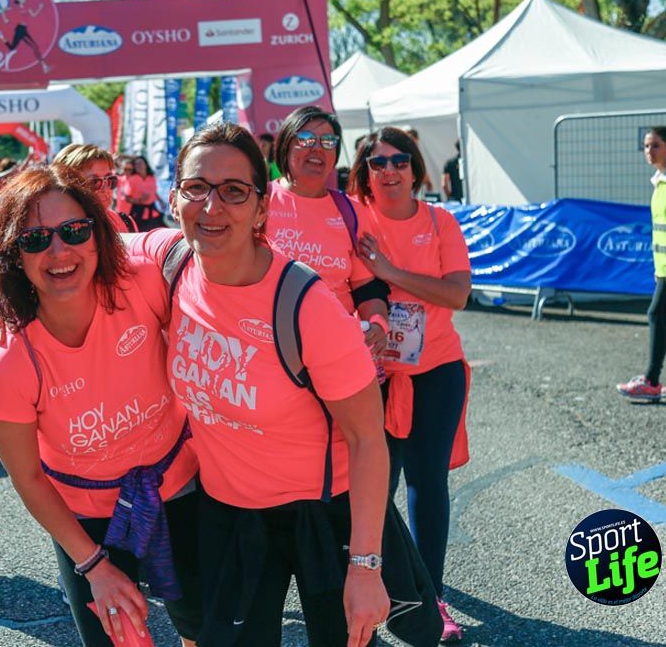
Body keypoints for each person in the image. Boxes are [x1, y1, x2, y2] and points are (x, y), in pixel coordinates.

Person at [132, 123, 441, 647]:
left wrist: (366, 568)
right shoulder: (170, 261)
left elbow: (369, 439)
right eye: (197, 188)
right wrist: (17, 310)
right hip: (230, 509)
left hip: (324, 509)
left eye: (233, 191)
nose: (212, 207)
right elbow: (80, 252)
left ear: (260, 208)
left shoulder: (307, 304)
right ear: (174, 197)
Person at [0, 165, 202, 647]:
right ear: (13, 254)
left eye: (75, 231)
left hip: (180, 486)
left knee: (210, 628)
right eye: (35, 239)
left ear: (99, 236)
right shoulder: (8, 364)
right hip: (85, 518)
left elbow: (174, 247)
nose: (59, 251)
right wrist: (93, 567)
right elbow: (29, 479)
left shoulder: (139, 284)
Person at [347, 126, 473, 643]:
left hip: (438, 372)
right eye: (378, 163)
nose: (391, 170)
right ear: (365, 174)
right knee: (373, 487)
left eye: (400, 161)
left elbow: (458, 294)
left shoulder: (441, 222)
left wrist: (390, 270)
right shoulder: (353, 220)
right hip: (370, 379)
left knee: (427, 484)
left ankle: (430, 595)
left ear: (416, 169)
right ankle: (368, 588)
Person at [268, 108, 390, 355]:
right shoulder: (259, 202)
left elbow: (366, 288)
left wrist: (378, 324)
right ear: (285, 145)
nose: (317, 148)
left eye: (328, 141)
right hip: (271, 349)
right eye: (306, 139)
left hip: (334, 349)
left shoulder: (351, 211)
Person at [618, 127, 666, 403]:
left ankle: (651, 380)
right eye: (646, 146)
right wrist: (662, 266)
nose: (649, 151)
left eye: (655, 146)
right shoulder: (663, 180)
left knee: (656, 314)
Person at [53, 144, 137, 232]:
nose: (105, 189)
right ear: (66, 185)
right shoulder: (53, 232)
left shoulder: (126, 222)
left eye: (110, 180)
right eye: (94, 182)